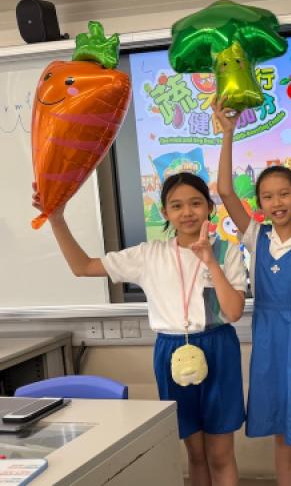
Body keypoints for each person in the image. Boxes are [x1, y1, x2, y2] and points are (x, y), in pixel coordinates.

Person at [34, 172, 246, 486]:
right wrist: (57, 221)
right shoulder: (149, 255)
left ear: (209, 207)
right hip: (171, 351)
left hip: (219, 346)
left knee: (220, 454)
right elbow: (83, 267)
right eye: (176, 205)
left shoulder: (227, 252)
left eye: (195, 203)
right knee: (195, 454)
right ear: (165, 212)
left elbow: (234, 311)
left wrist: (210, 262)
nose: (187, 212)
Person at [215, 98, 291, 486]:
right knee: (282, 431)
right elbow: (225, 190)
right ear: (260, 203)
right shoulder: (255, 237)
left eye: (284, 194)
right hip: (268, 342)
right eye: (268, 196)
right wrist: (228, 133)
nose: (277, 202)